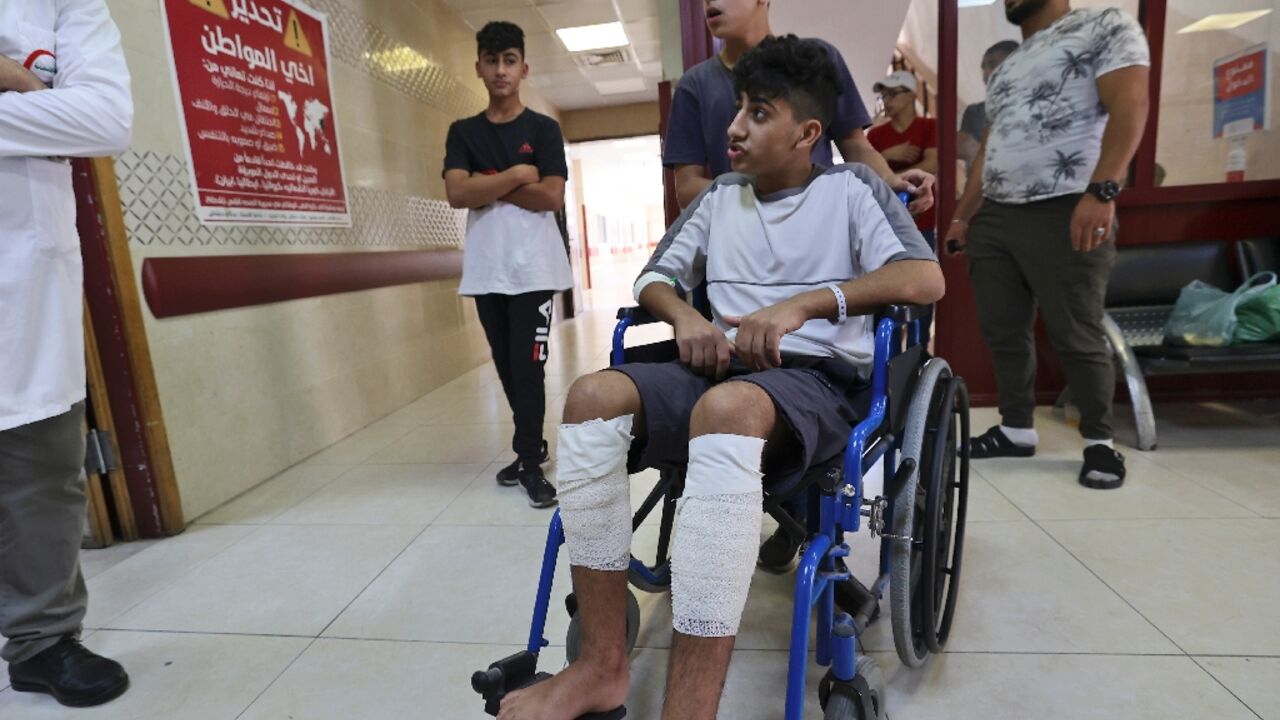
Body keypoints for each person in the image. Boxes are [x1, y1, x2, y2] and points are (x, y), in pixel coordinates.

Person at [498, 36, 944, 720]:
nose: (734, 128)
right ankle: (599, 668)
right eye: (738, 109)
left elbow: (923, 277)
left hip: (811, 384)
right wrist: (684, 318)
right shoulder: (721, 198)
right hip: (712, 366)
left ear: (808, 133)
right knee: (591, 397)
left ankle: (690, 710)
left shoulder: (851, 189)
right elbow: (655, 276)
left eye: (758, 113)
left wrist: (805, 304)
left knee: (728, 412)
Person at [662, 0, 937, 571]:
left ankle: (788, 525)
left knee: (770, 391)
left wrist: (889, 188)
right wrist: (747, 189)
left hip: (812, 308)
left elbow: (856, 147)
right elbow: (688, 185)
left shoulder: (816, 67)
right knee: (724, 399)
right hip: (738, 256)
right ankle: (731, 536)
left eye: (757, 112)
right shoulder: (697, 88)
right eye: (739, 112)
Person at [944, 0, 1150, 489]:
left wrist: (1103, 190)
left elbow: (1131, 103)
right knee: (1002, 329)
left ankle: (1101, 443)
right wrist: (962, 215)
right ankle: (1017, 429)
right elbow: (991, 144)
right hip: (996, 213)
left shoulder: (1105, 25)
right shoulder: (1010, 63)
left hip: (1067, 204)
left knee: (1076, 330)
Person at [1, 0, 133, 707]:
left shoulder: (68, 3)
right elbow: (69, 116)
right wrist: (30, 95)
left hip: (23, 272)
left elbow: (105, 122)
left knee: (42, 470)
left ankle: (42, 641)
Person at [444, 21, 571, 509]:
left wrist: (489, 182)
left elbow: (551, 196)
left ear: (524, 67)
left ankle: (530, 464)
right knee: (505, 365)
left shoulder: (543, 129)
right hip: (487, 269)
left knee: (529, 366)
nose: (501, 70)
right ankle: (530, 445)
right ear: (478, 66)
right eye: (492, 60)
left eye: (510, 60)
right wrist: (520, 174)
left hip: (534, 268)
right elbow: (457, 192)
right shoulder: (464, 132)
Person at [867, 70, 938, 343]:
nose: (887, 100)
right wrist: (887, 157)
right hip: (883, 227)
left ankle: (918, 354)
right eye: (884, 94)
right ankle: (886, 358)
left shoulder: (929, 127)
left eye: (893, 93)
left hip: (921, 223)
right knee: (885, 293)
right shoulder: (876, 135)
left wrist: (892, 176)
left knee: (920, 290)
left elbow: (932, 164)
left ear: (910, 96)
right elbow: (865, 172)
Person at [957, 40, 1019, 170]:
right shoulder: (974, 112)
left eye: (992, 64)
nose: (986, 74)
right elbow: (964, 150)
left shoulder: (1036, 108)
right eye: (983, 68)